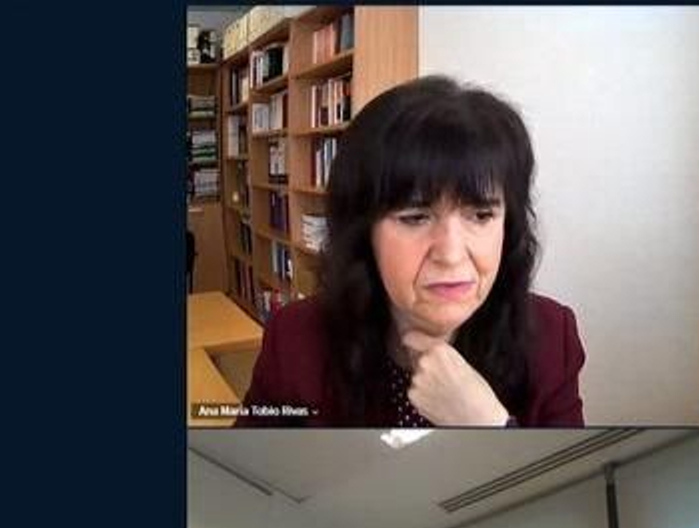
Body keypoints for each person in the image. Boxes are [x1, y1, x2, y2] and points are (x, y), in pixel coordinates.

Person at [240, 76, 585, 426]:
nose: (451, 255)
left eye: (481, 215)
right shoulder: (296, 340)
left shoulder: (551, 339)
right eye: (416, 217)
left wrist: (490, 426)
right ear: (363, 232)